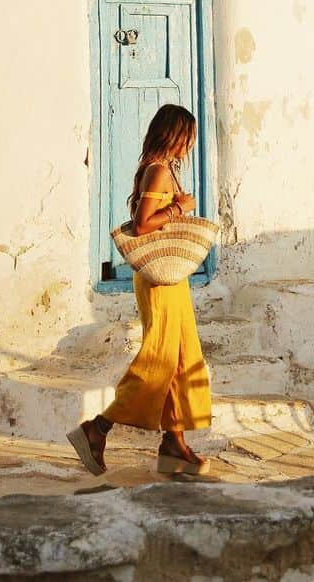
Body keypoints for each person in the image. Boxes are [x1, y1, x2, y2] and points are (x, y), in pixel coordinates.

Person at [67, 103, 211, 476]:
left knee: (181, 356)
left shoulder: (166, 171)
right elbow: (143, 224)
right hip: (157, 280)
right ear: (174, 134)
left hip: (171, 278)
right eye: (188, 136)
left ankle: (174, 444)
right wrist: (179, 210)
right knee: (158, 359)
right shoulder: (159, 171)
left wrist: (177, 204)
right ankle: (96, 429)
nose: (191, 144)